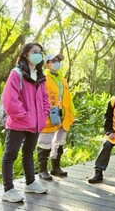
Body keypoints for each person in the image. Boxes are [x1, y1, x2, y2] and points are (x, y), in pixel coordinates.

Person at [1, 43, 50, 202]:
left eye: (40, 52)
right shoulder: (16, 74)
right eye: (34, 52)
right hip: (18, 122)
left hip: (35, 123)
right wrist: (24, 116)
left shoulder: (41, 76)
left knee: (28, 153)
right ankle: (8, 190)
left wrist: (44, 114)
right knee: (10, 155)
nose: (38, 54)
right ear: (25, 55)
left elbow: (45, 98)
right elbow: (10, 100)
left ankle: (30, 183)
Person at [37, 53, 76, 181]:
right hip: (49, 115)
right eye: (53, 61)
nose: (57, 62)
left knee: (59, 142)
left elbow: (68, 98)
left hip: (62, 115)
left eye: (58, 60)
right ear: (47, 64)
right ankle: (42, 170)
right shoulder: (43, 78)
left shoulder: (62, 79)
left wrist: (71, 113)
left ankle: (55, 167)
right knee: (45, 142)